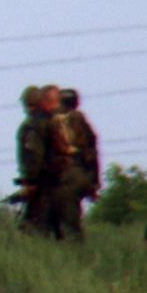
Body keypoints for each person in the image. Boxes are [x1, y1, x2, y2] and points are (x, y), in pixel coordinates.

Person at [47, 86, 100, 240]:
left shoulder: (51, 120)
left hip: (60, 177)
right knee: (72, 221)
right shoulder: (81, 120)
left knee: (61, 225)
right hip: (80, 175)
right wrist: (94, 183)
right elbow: (93, 152)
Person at [13, 84, 54, 235]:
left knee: (33, 228)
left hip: (42, 183)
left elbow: (33, 155)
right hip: (59, 181)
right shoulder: (53, 120)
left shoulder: (32, 125)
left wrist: (30, 182)